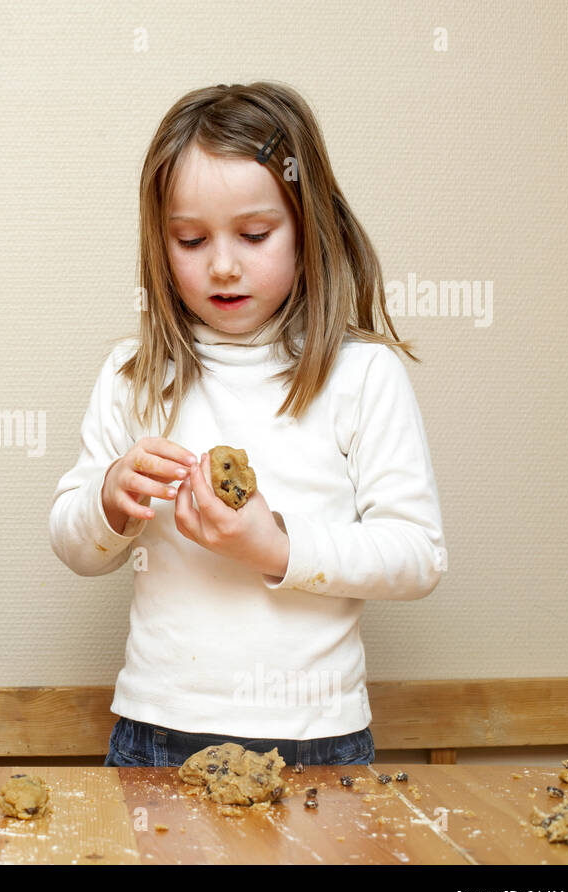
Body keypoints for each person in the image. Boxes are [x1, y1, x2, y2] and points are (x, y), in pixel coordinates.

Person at [49, 83, 447, 768]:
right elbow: (75, 548)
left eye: (255, 235)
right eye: (191, 239)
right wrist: (110, 500)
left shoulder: (362, 376)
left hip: (316, 736)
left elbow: (417, 556)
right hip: (157, 731)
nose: (223, 264)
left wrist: (276, 547)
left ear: (308, 227)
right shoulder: (134, 374)